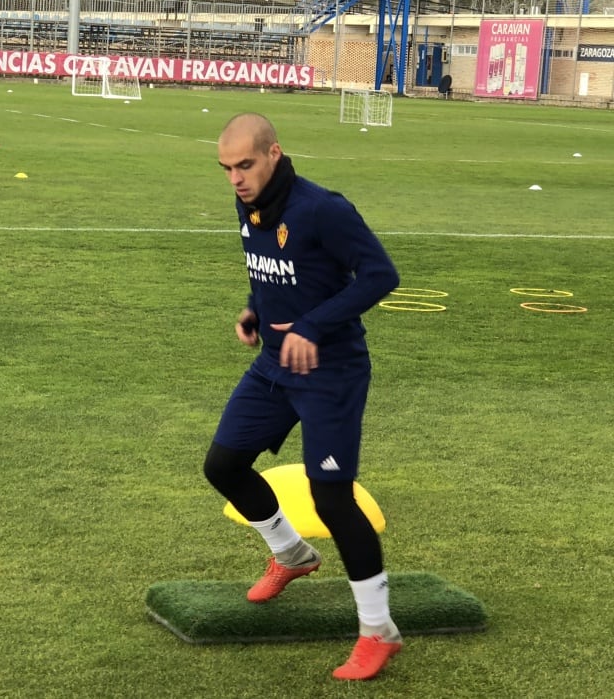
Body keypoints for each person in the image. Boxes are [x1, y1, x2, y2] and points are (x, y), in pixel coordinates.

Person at [204, 113, 402, 681]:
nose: (236, 179)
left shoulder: (323, 209)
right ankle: (293, 556)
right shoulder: (252, 202)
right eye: (227, 169)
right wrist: (254, 309)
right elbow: (275, 269)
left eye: (245, 165)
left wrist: (312, 326)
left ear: (273, 154)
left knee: (332, 500)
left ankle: (378, 632)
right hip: (274, 364)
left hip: (331, 371)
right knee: (224, 465)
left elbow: (379, 275)